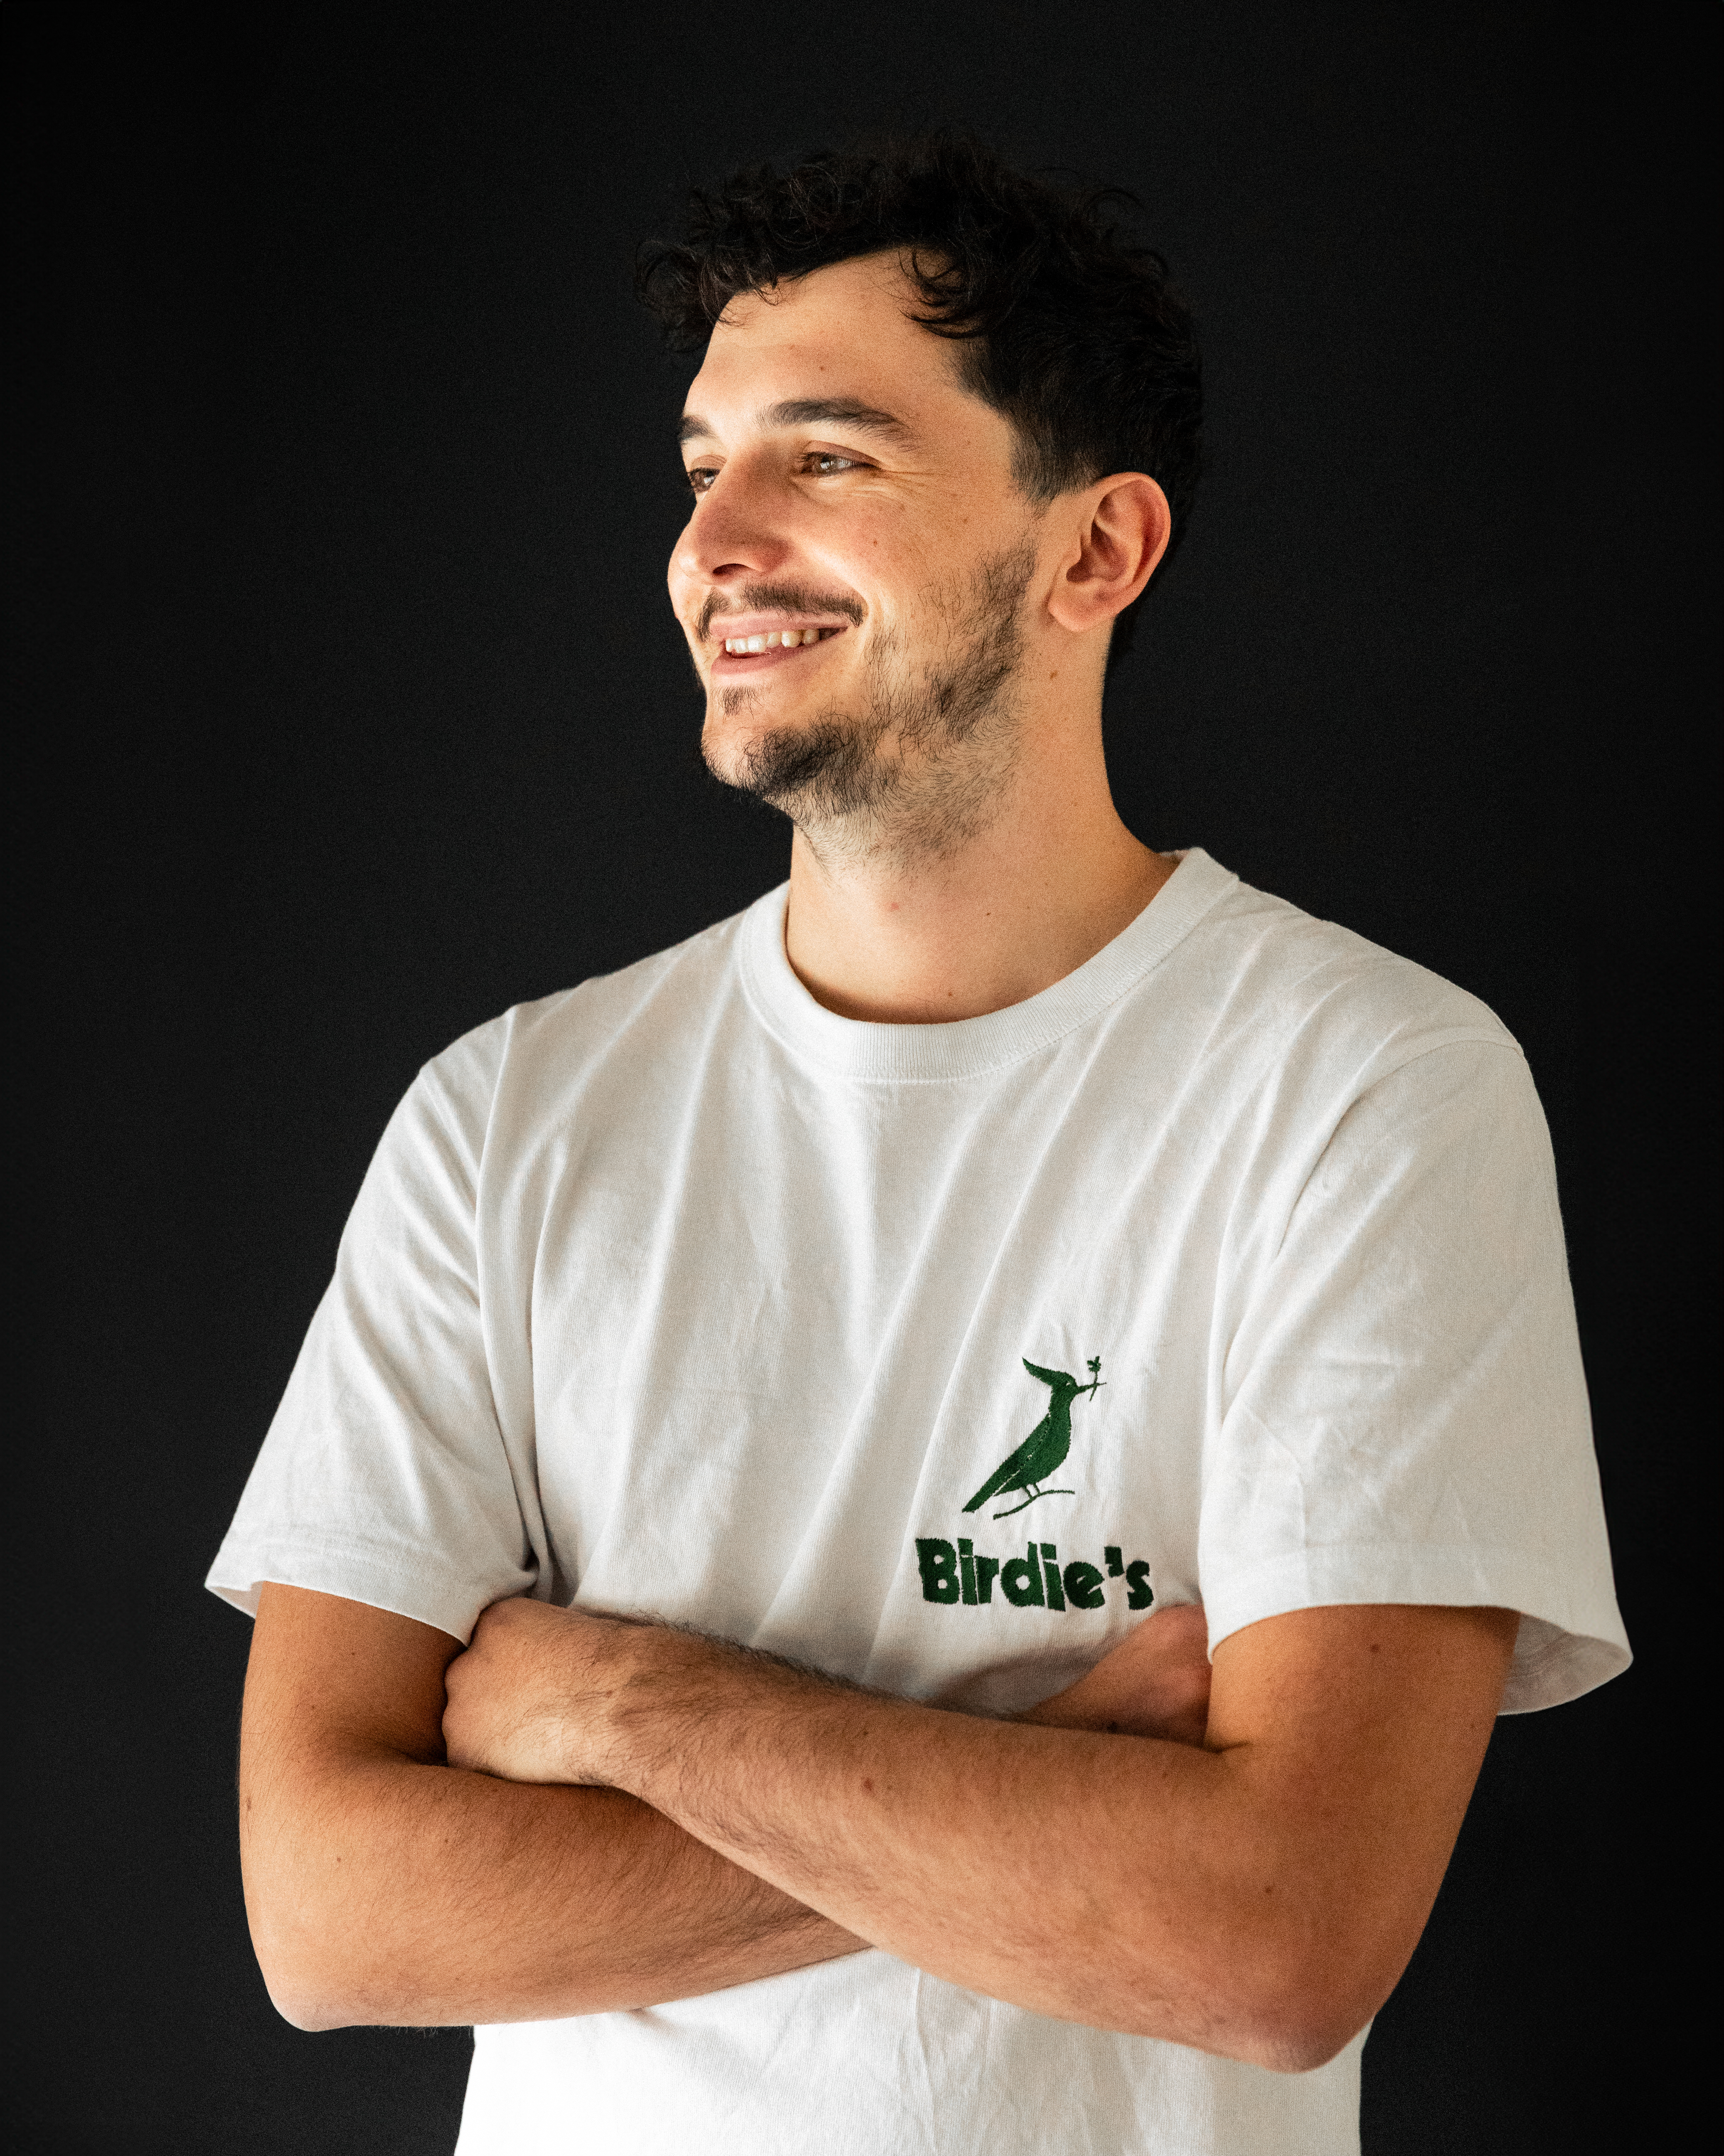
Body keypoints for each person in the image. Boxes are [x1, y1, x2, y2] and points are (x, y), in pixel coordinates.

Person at [210, 136, 1628, 2156]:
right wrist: (1046, 1777)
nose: (721, 538)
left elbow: (1275, 1934)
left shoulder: (1369, 1089)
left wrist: (621, 1706)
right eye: (703, 465)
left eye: (830, 456)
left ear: (1093, 553)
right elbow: (329, 1915)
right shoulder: (509, 1113)